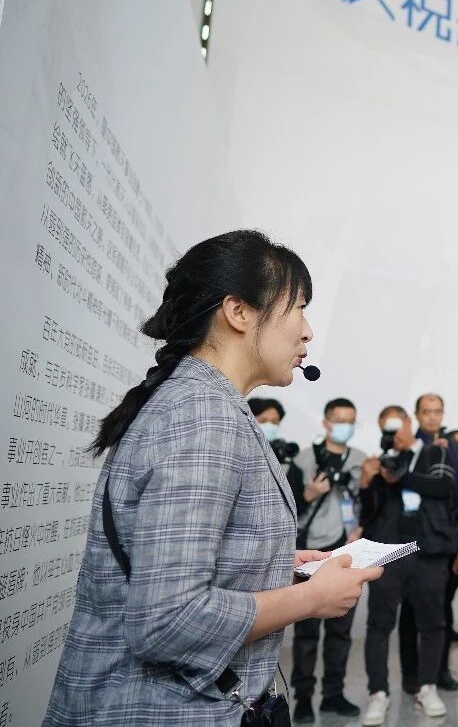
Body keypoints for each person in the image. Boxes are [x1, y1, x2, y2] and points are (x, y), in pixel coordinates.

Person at [45, 230, 380, 725]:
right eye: (298, 308)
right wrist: (310, 597)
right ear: (238, 312)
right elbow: (166, 620)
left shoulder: (206, 404)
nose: (308, 331)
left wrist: (274, 563)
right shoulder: (203, 415)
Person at [358, 405, 458, 724]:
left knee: (432, 623)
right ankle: (378, 693)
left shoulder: (433, 452)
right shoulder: (380, 461)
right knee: (379, 624)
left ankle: (427, 687)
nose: (393, 433)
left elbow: (443, 488)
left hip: (428, 551)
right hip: (389, 552)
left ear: (408, 423)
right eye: (386, 428)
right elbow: (368, 514)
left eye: (397, 426)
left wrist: (401, 476)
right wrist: (367, 483)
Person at [289, 397, 368, 722]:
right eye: (340, 420)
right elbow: (287, 506)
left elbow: (368, 502)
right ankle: (303, 698)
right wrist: (309, 494)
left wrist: (362, 526)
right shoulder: (304, 459)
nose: (346, 426)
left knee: (341, 629)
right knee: (306, 632)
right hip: (311, 551)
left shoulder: (361, 460)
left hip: (347, 551)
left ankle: (333, 694)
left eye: (351, 420)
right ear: (326, 423)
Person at [397, 394, 458, 699]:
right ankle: (411, 675)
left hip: (447, 537)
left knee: (441, 609)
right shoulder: (409, 445)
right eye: (427, 411)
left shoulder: (453, 446)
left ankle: (440, 671)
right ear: (417, 415)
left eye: (437, 411)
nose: (433, 416)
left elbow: (457, 488)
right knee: (410, 612)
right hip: (414, 536)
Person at [251, 396, 304, 502]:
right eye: (263, 421)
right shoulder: (235, 450)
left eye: (274, 422)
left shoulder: (283, 460)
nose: (269, 426)